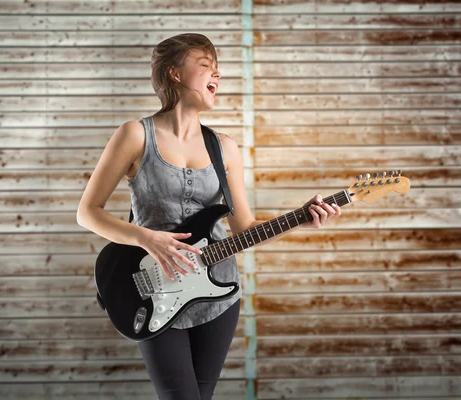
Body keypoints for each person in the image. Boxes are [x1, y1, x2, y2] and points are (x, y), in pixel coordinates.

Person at [76, 33, 341, 400]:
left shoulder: (225, 148)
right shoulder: (135, 135)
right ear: (175, 74)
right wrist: (146, 237)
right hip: (154, 292)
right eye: (206, 66)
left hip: (217, 298)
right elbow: (87, 212)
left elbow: (244, 229)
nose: (216, 75)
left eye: (218, 69)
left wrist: (301, 219)